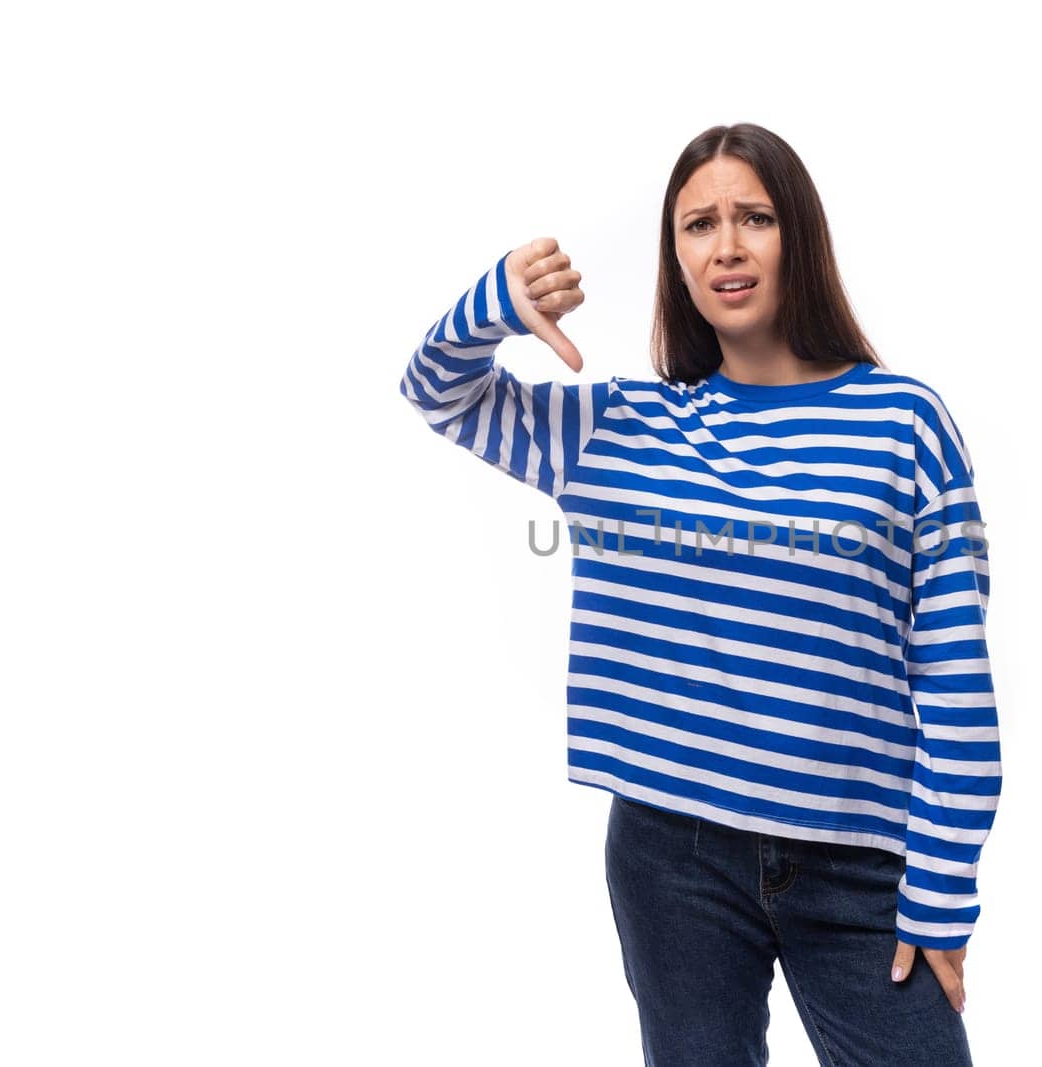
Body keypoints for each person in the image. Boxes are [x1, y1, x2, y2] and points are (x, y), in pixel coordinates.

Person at [398, 123, 1001, 1066]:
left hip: (860, 869)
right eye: (697, 225)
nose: (726, 247)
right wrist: (496, 306)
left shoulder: (905, 422)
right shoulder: (623, 429)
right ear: (674, 259)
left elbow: (958, 675)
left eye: (754, 218)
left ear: (796, 236)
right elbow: (437, 389)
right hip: (668, 857)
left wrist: (943, 891)